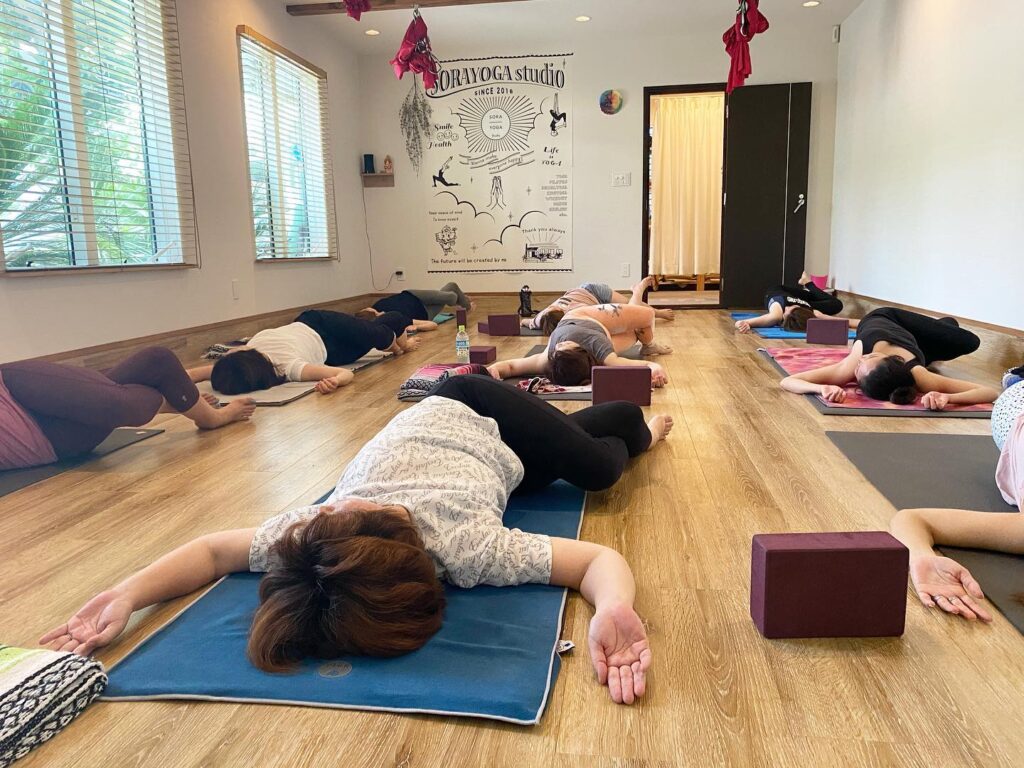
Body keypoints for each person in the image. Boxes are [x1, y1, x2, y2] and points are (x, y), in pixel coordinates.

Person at [41, 374, 675, 705]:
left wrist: (128, 594)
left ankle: (638, 433)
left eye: (343, 508)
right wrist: (613, 606)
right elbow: (595, 562)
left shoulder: (312, 538)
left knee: (598, 468)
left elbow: (212, 551)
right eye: (363, 509)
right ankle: (627, 423)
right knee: (595, 445)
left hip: (466, 401)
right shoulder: (469, 548)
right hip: (498, 460)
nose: (345, 499)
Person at [889, 382, 1024, 622]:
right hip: (1014, 403)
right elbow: (913, 518)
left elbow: (911, 519)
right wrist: (922, 556)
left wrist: (921, 556)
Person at [0, 347, 255, 471]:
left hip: (12, 390)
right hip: (49, 444)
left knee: (157, 360)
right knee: (132, 395)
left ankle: (213, 416)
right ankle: (176, 397)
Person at [779, 307, 998, 409]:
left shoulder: (854, 362)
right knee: (956, 333)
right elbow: (990, 392)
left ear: (895, 359)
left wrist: (820, 388)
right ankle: (943, 326)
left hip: (888, 317)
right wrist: (948, 398)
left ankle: (942, 327)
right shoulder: (919, 375)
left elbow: (788, 381)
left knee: (969, 341)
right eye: (859, 367)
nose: (861, 359)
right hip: (913, 344)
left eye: (868, 357)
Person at [195, 310, 418, 396]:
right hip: (334, 350)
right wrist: (334, 382)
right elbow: (344, 373)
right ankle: (394, 339)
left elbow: (191, 374)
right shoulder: (290, 368)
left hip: (316, 322)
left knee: (380, 335)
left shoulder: (238, 359)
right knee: (381, 332)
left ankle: (397, 341)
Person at [490, 303, 671, 387]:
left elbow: (512, 367)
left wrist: (493, 370)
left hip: (582, 316)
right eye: (564, 347)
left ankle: (648, 339)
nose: (559, 345)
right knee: (635, 334)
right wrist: (655, 370)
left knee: (647, 316)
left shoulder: (547, 358)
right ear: (581, 352)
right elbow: (645, 365)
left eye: (558, 347)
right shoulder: (605, 356)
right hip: (600, 337)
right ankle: (644, 341)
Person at [524, 277, 674, 333]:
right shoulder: (540, 319)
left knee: (629, 307)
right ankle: (638, 294)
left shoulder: (577, 312)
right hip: (588, 301)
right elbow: (524, 321)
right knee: (629, 309)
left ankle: (657, 312)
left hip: (593, 290)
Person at [734, 272, 844, 333]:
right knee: (837, 305)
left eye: (786, 310)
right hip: (803, 301)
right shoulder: (812, 313)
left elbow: (772, 318)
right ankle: (808, 284)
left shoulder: (777, 312)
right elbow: (845, 322)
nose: (788, 307)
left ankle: (806, 283)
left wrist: (745, 323)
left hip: (780, 291)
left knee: (823, 300)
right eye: (792, 308)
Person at [358, 283, 474, 333]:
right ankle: (467, 306)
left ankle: (464, 302)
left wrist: (372, 311)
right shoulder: (392, 320)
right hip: (425, 313)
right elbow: (431, 325)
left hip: (413, 295)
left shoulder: (375, 307)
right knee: (452, 295)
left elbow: (361, 315)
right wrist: (416, 327)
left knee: (452, 292)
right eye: (378, 316)